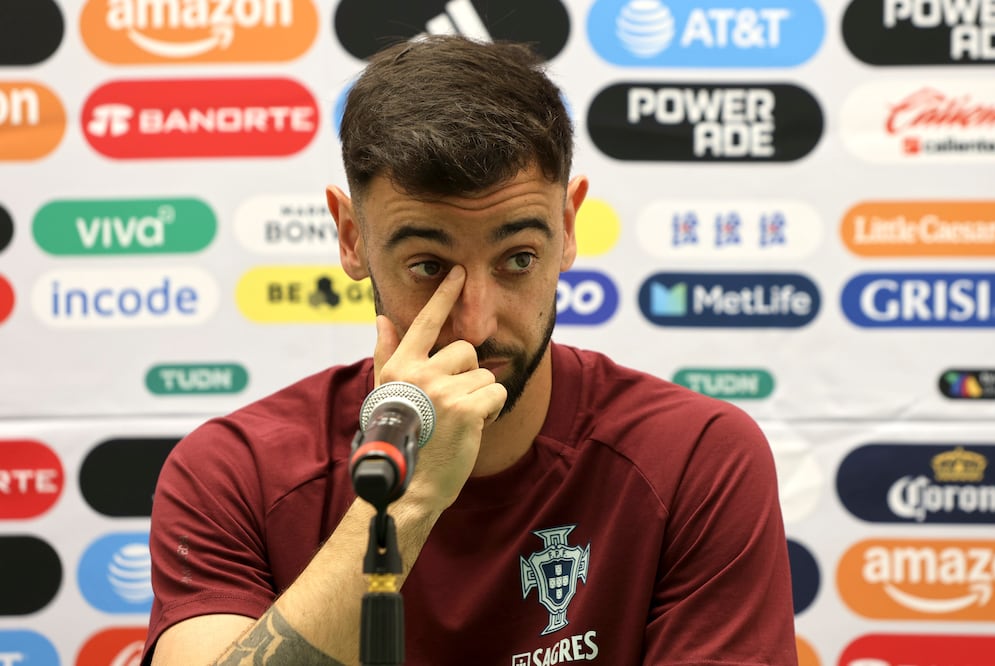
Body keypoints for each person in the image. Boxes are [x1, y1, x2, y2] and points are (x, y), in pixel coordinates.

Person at [142, 35, 797, 666]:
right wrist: (405, 501)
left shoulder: (694, 457)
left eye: (516, 259)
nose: (476, 322)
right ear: (351, 238)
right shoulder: (235, 471)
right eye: (429, 265)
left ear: (567, 228)